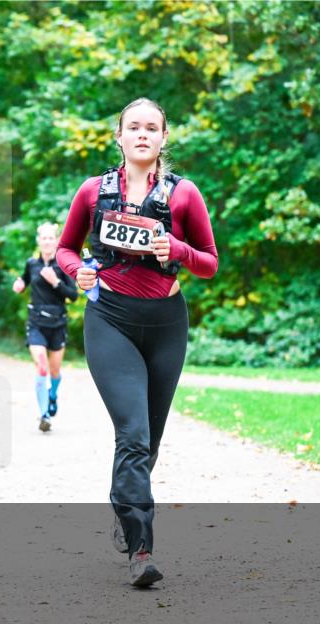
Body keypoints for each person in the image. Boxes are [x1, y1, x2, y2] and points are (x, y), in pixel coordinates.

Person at [56, 98, 218, 587]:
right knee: (133, 435)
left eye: (152, 128)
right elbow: (66, 248)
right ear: (119, 136)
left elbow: (209, 262)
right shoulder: (92, 191)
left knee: (148, 441)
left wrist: (180, 249)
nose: (143, 134)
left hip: (167, 323)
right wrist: (77, 272)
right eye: (134, 127)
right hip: (111, 320)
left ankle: (125, 503)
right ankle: (141, 551)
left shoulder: (184, 194)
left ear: (163, 138)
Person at [13, 223, 78, 433]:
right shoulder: (32, 264)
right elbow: (24, 280)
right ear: (38, 241)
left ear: (57, 240)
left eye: (51, 238)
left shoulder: (64, 264)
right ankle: (44, 414)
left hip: (58, 323)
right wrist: (19, 285)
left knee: (54, 370)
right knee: (41, 367)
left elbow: (74, 295)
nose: (47, 241)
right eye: (44, 238)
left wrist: (56, 282)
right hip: (36, 322)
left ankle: (52, 396)